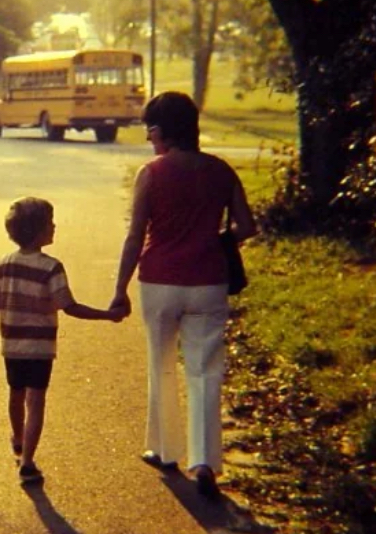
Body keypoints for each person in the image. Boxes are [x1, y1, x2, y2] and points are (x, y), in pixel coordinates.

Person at [109, 91, 258, 500]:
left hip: (159, 282)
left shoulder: (151, 173)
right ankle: (205, 461)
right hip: (208, 281)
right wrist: (217, 242)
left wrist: (119, 289)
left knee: (162, 364)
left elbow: (135, 236)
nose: (148, 138)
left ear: (161, 130)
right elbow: (247, 227)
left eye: (149, 130)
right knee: (205, 370)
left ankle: (164, 450)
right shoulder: (221, 171)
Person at [0, 196, 123, 485]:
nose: (54, 227)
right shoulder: (51, 268)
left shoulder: (4, 264)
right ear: (37, 231)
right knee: (36, 401)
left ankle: (18, 438)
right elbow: (69, 306)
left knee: (16, 394)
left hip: (12, 346)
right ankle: (27, 462)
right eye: (50, 223)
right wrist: (107, 315)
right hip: (40, 348)